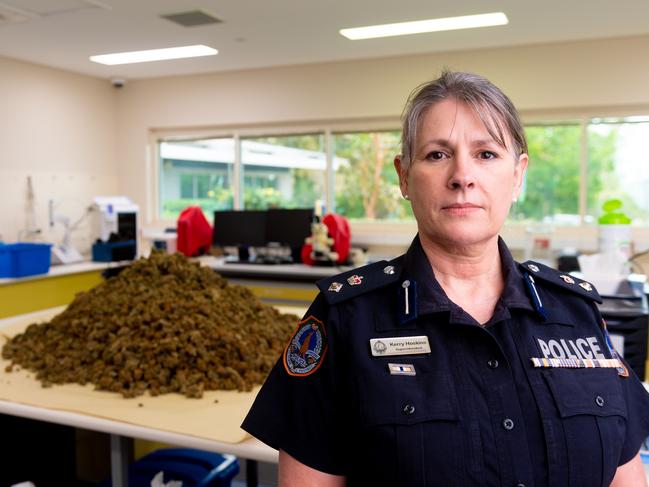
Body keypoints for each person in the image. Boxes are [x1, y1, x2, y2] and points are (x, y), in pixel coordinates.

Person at [242, 71, 649, 486]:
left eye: (486, 154)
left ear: (518, 175)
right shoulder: (346, 318)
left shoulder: (576, 312)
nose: (462, 176)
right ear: (404, 176)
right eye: (437, 155)